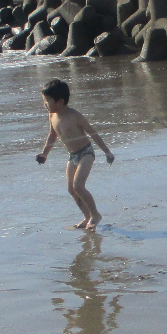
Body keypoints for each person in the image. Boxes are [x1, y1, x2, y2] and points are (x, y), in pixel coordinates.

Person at [36, 78, 114, 230]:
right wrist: (44, 154)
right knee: (71, 190)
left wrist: (107, 152)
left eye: (47, 101)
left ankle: (95, 214)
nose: (45, 104)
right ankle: (87, 217)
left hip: (86, 153)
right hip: (72, 156)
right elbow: (52, 136)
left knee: (78, 185)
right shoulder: (52, 116)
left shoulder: (75, 116)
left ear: (59, 101)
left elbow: (92, 133)